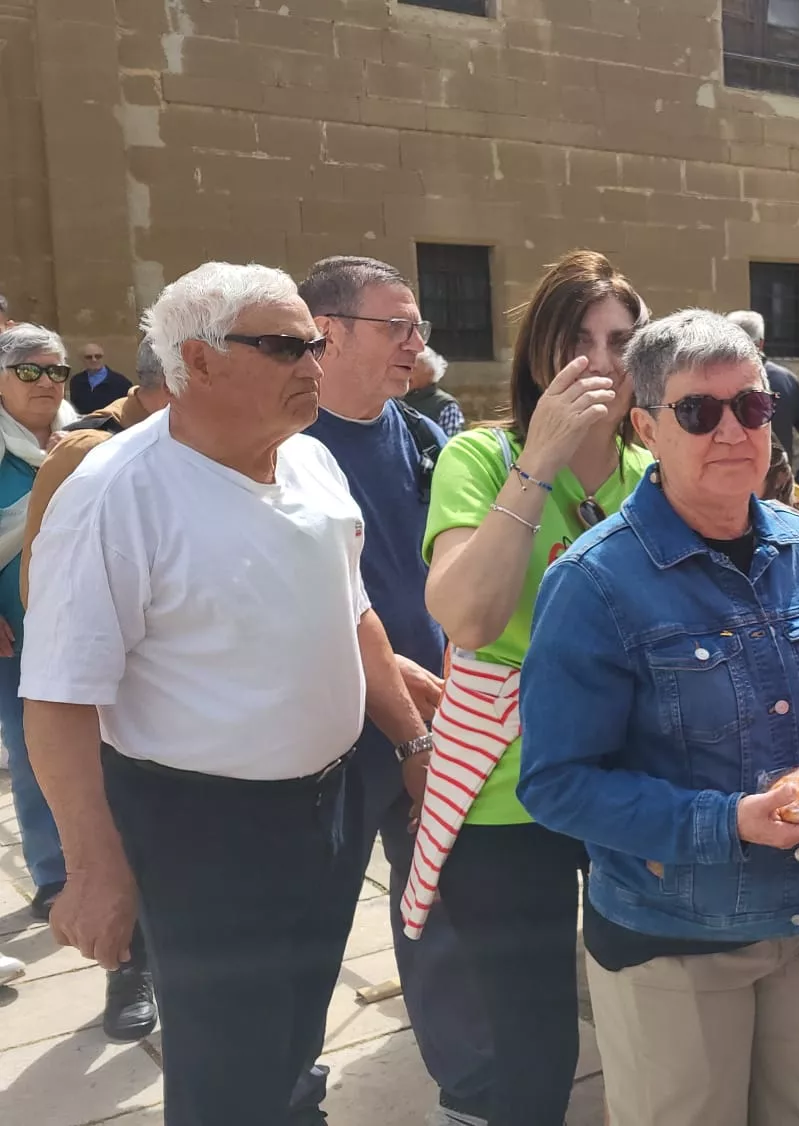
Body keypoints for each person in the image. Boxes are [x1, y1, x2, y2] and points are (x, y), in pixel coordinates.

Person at [19, 262, 432, 1125]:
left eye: (315, 343)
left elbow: (351, 611)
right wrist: (94, 868)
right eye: (286, 346)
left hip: (329, 804)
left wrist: (411, 738)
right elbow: (58, 700)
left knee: (292, 1036)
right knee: (226, 1069)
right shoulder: (115, 494)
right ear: (196, 362)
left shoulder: (313, 459)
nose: (314, 363)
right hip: (201, 830)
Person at [518, 308, 799, 1126]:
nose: (734, 430)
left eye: (754, 407)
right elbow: (557, 785)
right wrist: (732, 822)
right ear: (647, 427)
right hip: (677, 937)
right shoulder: (596, 583)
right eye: (700, 411)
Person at [413, 250, 654, 1126]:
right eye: (577, 340)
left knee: (656, 1013)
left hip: (630, 780)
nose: (600, 363)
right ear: (537, 354)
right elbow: (468, 618)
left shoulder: (652, 472)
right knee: (531, 1039)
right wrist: (542, 460)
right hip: (507, 794)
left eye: (622, 341)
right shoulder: (481, 457)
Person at [297, 255, 495, 1126]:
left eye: (419, 327)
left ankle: (473, 1089)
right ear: (326, 333)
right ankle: (285, 1084)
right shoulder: (286, 450)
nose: (416, 344)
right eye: (398, 327)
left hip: (439, 714)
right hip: (333, 734)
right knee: (308, 925)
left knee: (441, 908)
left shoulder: (422, 436)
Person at [18, 332, 169, 1040]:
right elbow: (45, 581)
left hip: (181, 691)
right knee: (120, 829)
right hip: (112, 684)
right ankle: (126, 973)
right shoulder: (88, 450)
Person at [0, 324, 79, 925]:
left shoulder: (83, 441)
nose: (47, 382)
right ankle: (53, 874)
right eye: (30, 370)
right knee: (34, 752)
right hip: (14, 634)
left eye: (57, 371)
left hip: (84, 623)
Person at [727, 310, 799, 488]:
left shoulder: (709, 382)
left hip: (731, 483)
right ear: (761, 343)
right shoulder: (785, 379)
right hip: (774, 488)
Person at [405, 345, 466, 437]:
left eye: (412, 368)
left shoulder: (445, 405)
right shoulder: (391, 399)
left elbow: (450, 442)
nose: (405, 374)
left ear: (429, 373)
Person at [68, 343, 133, 414]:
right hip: (83, 424)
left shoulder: (121, 383)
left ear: (103, 358)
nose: (94, 360)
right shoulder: (76, 382)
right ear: (82, 360)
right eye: (89, 357)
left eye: (98, 356)